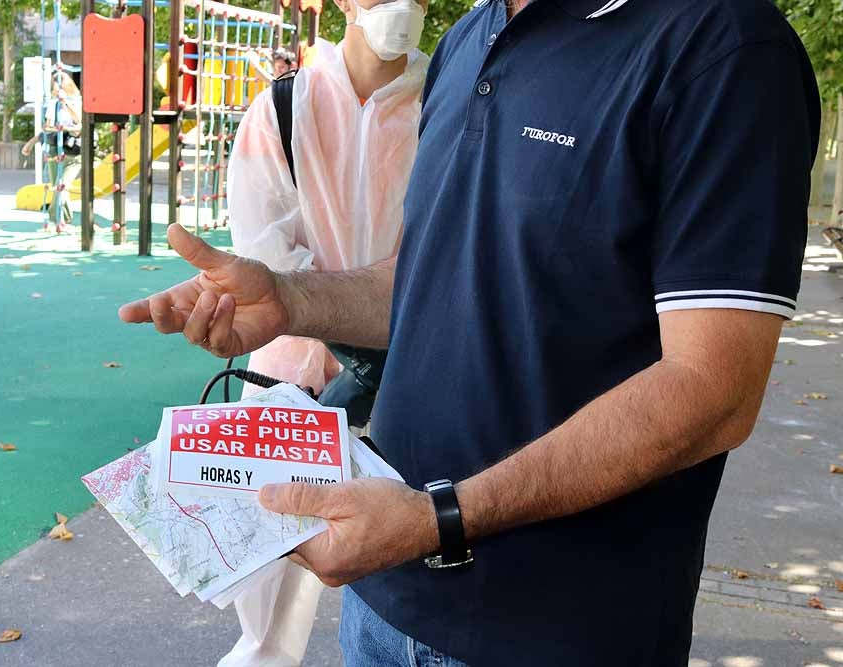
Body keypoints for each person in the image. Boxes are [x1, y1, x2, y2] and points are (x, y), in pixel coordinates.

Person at [119, 0, 821, 664]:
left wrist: (439, 519)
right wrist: (289, 299)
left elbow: (713, 388)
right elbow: (431, 275)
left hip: (556, 632)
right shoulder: (467, 40)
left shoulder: (722, 47)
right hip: (383, 600)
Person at [219, 0, 428, 663]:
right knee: (270, 579)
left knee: (412, 571)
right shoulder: (285, 108)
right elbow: (263, 251)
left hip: (414, 369)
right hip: (291, 375)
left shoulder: (451, 98)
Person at [21, 72, 82, 231]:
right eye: (54, 90)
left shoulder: (76, 101)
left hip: (73, 152)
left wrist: (66, 106)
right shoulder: (53, 104)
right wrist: (54, 127)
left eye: (58, 89)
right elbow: (47, 127)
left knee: (63, 186)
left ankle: (62, 219)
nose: (56, 93)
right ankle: (58, 220)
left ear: (66, 88)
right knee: (57, 186)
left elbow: (79, 124)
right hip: (56, 150)